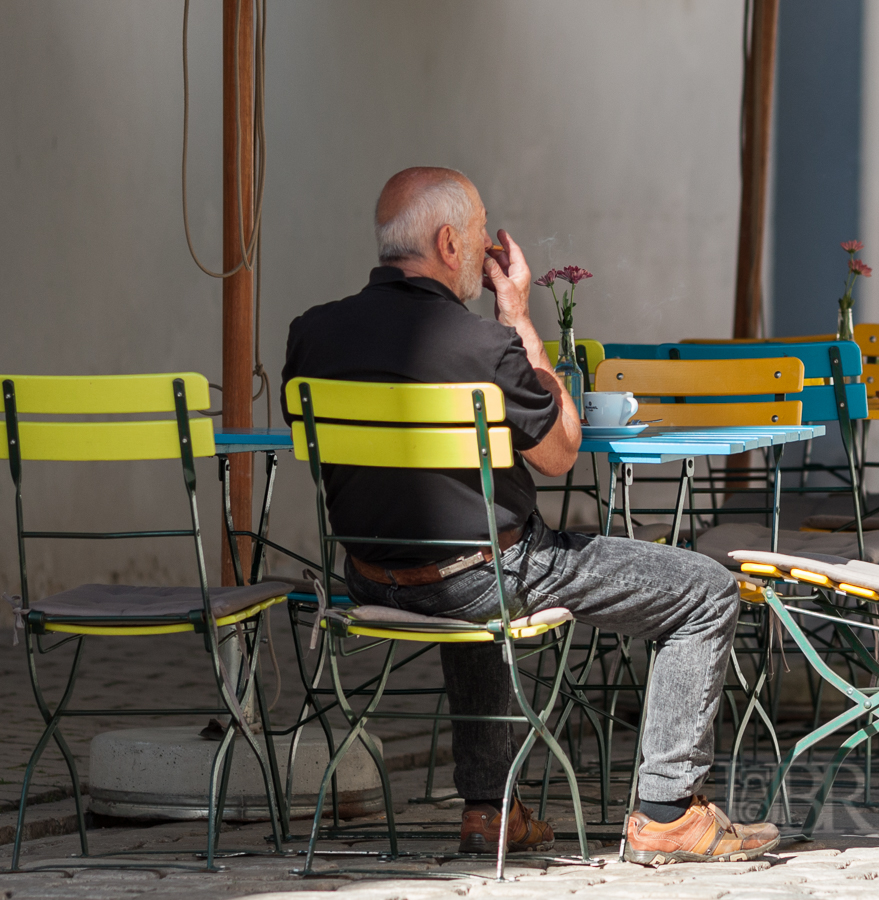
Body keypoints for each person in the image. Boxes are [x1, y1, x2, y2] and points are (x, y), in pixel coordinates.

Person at [281, 167, 780, 864]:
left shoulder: (313, 335)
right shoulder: (482, 346)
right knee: (705, 589)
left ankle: (492, 811)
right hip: (487, 575)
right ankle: (668, 811)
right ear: (450, 243)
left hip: (370, 577)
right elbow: (559, 451)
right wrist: (516, 315)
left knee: (477, 562)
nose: (489, 247)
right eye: (482, 230)